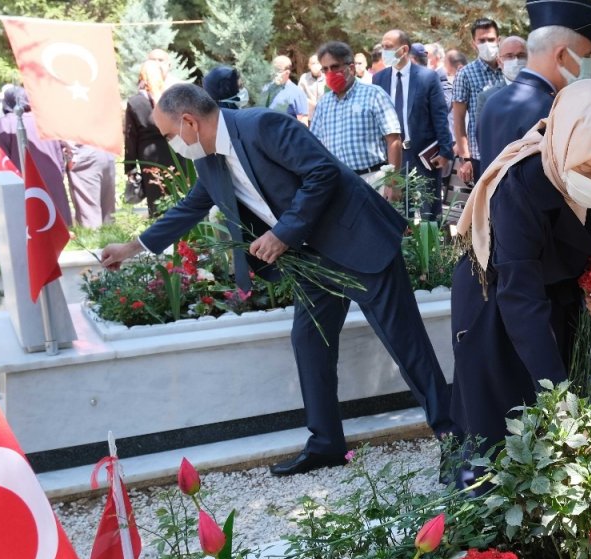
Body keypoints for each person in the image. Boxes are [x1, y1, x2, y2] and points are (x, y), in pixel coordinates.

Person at [99, 83, 454, 477]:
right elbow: (192, 207)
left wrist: (283, 232)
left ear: (189, 122)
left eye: (168, 135)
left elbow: (322, 173)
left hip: (358, 241)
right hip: (310, 260)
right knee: (309, 342)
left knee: (407, 346)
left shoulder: (262, 125)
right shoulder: (208, 159)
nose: (170, 144)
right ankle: (326, 444)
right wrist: (131, 247)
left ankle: (454, 439)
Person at [450, 80, 591, 484]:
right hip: (498, 300)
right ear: (563, 144)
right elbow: (519, 297)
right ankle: (483, 513)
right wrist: (559, 393)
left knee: (553, 425)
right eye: (586, 169)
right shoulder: (520, 183)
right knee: (500, 416)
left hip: (555, 296)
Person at [479, 0, 591, 167]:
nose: (585, 66)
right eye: (585, 55)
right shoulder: (553, 113)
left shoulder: (492, 102)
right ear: (561, 55)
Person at [375, 29, 456, 217]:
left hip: (423, 156)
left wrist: (445, 151)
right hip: (393, 156)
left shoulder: (427, 77)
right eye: (383, 47)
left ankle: (431, 247)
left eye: (388, 47)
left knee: (428, 214)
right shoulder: (379, 79)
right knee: (398, 214)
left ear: (403, 50)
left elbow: (440, 115)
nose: (384, 52)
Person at [310, 41, 403, 194]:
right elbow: (316, 147)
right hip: (338, 184)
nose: (330, 73)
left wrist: (393, 183)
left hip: (373, 180)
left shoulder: (374, 94)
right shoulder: (323, 104)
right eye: (325, 69)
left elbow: (394, 140)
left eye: (334, 67)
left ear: (351, 68)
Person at [0, 88, 71, 224]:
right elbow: (60, 149)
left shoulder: (5, 123)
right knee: (57, 219)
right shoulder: (47, 119)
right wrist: (60, 172)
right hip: (52, 175)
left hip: (26, 178)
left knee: (34, 222)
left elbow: (4, 155)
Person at [453, 18, 507, 183]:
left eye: (490, 40)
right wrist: (465, 159)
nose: (487, 44)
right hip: (479, 155)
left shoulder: (511, 69)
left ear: (498, 40)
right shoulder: (466, 74)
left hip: (509, 151)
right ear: (473, 43)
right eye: (481, 40)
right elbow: (459, 119)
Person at [125, 61, 176, 216]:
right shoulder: (171, 98)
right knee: (179, 193)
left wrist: (130, 166)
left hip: (150, 157)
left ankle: (161, 234)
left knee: (157, 198)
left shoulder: (135, 102)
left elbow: (130, 136)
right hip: (175, 151)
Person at [473, 37, 529, 152]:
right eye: (509, 56)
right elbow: (483, 138)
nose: (516, 60)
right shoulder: (487, 97)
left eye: (521, 55)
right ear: (499, 62)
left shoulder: (542, 92)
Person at [62, 142, 116, 228]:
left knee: (90, 218)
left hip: (84, 154)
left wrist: (71, 154)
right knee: (108, 217)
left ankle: (95, 240)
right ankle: (110, 239)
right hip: (106, 150)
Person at [298, 54, 326, 119]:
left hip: (324, 114)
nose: (316, 65)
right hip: (309, 116)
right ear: (309, 65)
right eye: (313, 63)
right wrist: (311, 103)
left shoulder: (327, 78)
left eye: (318, 63)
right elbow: (299, 95)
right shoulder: (304, 78)